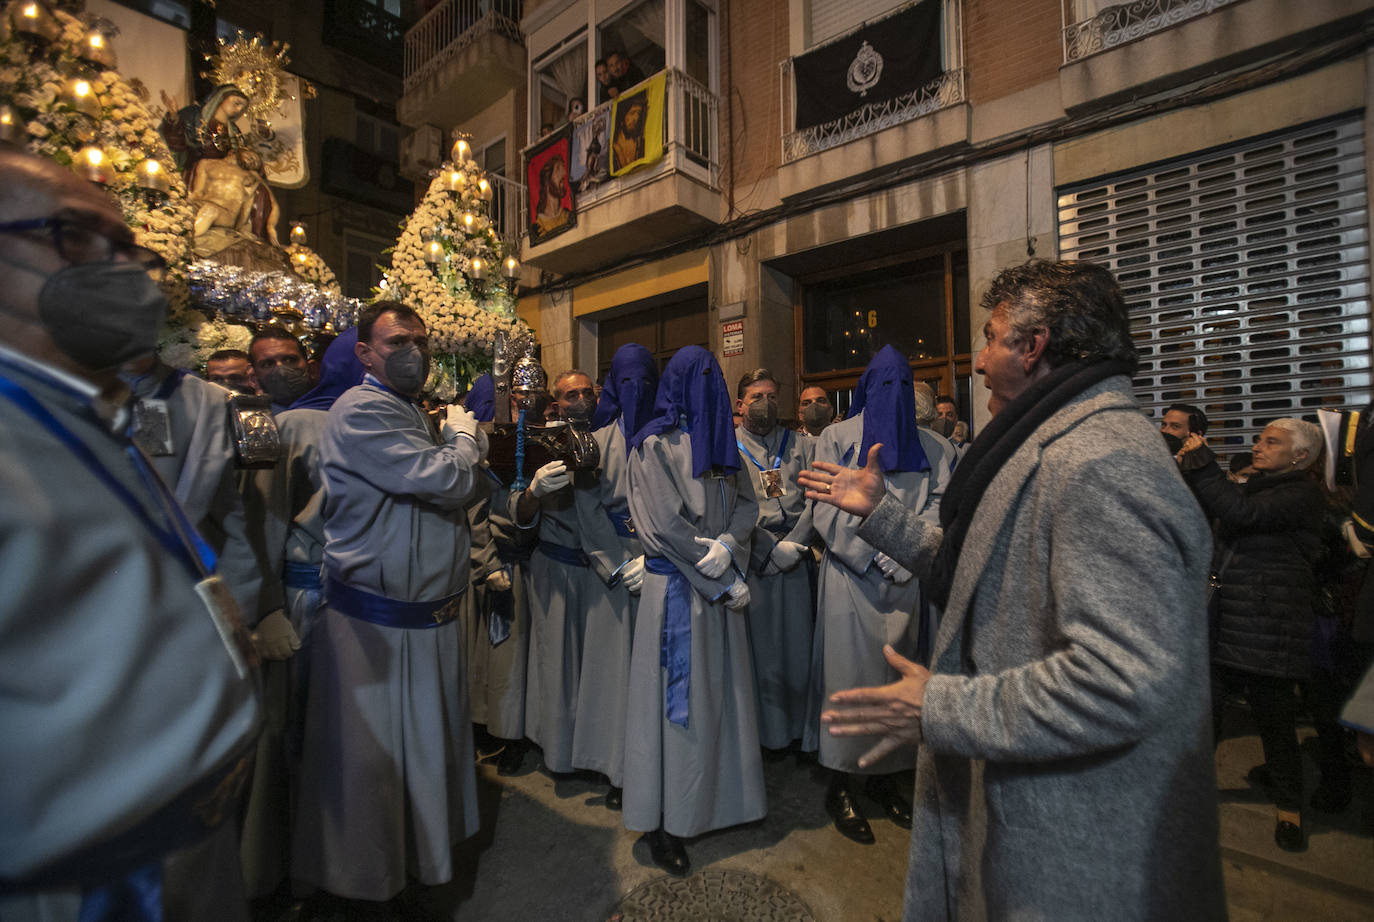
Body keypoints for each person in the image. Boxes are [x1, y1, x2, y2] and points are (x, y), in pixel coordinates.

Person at [799, 259, 1225, 921]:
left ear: (1033, 347)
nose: (976, 362)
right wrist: (883, 516)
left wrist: (942, 708)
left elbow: (1122, 682)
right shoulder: (1055, 442)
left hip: (1079, 855)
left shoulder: (1104, 463)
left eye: (991, 339)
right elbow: (979, 568)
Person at [0, 148, 259, 920]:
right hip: (84, 889)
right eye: (77, 236)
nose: (122, 269)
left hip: (183, 855)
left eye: (129, 248)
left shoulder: (90, 411)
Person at [292, 301, 484, 911]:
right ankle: (367, 885)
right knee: (374, 765)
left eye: (421, 341)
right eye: (398, 341)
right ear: (365, 353)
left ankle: (417, 860)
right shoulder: (362, 408)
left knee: (419, 755)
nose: (415, 352)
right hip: (377, 625)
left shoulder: (406, 409)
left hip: (420, 618)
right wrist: (464, 438)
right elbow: (448, 481)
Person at [803, 345, 954, 845]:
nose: (894, 393)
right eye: (884, 384)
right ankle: (842, 782)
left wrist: (905, 551)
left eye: (903, 384)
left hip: (907, 579)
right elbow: (824, 504)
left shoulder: (936, 447)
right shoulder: (837, 437)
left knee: (898, 679)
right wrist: (871, 551)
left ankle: (889, 776)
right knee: (849, 681)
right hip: (852, 577)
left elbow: (940, 506)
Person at [624, 345, 764, 876]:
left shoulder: (723, 441)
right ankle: (664, 819)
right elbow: (665, 526)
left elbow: (748, 504)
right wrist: (722, 578)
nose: (707, 383)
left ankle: (718, 802)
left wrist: (730, 544)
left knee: (720, 699)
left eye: (714, 374)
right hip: (679, 595)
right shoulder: (653, 444)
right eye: (697, 375)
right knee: (673, 710)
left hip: (718, 589)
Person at [1178, 417, 1326, 851]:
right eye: (1260, 439)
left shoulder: (1301, 494)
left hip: (1267, 624)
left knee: (1274, 721)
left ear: (1300, 456)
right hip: (1229, 617)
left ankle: (1289, 809)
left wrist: (1205, 467)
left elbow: (1242, 515)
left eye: (1271, 442)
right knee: (1206, 716)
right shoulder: (1256, 486)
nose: (1258, 446)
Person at [513, 369, 623, 777]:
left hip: (602, 569)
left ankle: (598, 754)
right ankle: (560, 753)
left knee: (602, 669)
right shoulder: (538, 441)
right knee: (557, 667)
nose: (581, 400)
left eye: (586, 392)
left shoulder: (612, 439)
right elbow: (517, 510)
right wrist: (533, 492)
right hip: (558, 566)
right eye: (570, 395)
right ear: (555, 402)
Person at [572, 346, 658, 807]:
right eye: (626, 381)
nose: (635, 390)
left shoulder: (669, 435)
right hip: (613, 565)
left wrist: (659, 555)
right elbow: (587, 508)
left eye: (643, 380)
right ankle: (618, 767)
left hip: (659, 564)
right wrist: (615, 563)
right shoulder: (595, 442)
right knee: (615, 673)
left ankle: (655, 764)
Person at [735, 368, 816, 751]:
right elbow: (730, 508)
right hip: (755, 560)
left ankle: (801, 733)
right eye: (756, 397)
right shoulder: (728, 447)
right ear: (740, 404)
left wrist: (796, 543)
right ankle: (767, 737)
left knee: (800, 649)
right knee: (763, 653)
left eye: (771, 396)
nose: (765, 404)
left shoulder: (801, 444)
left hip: (797, 557)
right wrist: (766, 549)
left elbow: (818, 498)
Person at [249, 326, 316, 412]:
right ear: (254, 379)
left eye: (289, 360)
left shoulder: (331, 411)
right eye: (268, 364)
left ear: (312, 369)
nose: (282, 372)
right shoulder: (249, 418)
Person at [533, 154, 571, 239]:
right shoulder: (538, 226)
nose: (564, 172)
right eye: (558, 168)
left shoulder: (568, 216)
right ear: (547, 179)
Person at [612, 93, 647, 172]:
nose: (636, 118)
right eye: (632, 113)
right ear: (623, 115)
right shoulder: (612, 148)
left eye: (638, 113)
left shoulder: (640, 144)